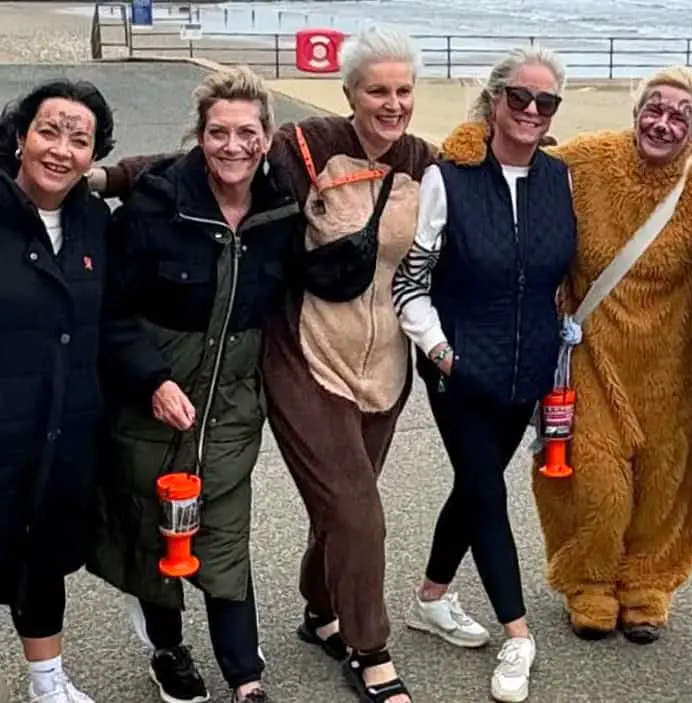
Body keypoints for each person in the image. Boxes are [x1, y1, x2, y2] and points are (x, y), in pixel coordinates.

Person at [89, 25, 438, 703]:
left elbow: (477, 206)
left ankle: (321, 608)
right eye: (377, 91)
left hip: (386, 369)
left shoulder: (427, 163)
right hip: (304, 356)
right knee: (359, 510)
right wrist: (100, 176)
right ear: (350, 94)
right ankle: (371, 649)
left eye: (402, 91)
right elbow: (198, 157)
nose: (391, 104)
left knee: (342, 507)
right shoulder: (302, 147)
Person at [86, 65, 311, 703]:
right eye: (218, 132)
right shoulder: (155, 203)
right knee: (154, 534)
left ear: (267, 137)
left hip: (233, 403)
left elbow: (307, 276)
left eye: (247, 133)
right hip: (151, 401)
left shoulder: (280, 207)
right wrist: (152, 377)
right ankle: (168, 650)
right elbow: (113, 310)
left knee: (222, 535)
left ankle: (246, 676)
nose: (232, 146)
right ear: (200, 136)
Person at [390, 46, 576, 703]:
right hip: (460, 369)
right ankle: (518, 632)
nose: (531, 110)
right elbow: (409, 282)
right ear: (494, 101)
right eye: (519, 97)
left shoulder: (562, 178)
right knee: (488, 492)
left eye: (545, 101)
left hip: (529, 371)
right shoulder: (451, 177)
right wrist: (440, 351)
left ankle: (431, 598)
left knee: (477, 486)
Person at [526, 65, 692, 644]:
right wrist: (468, 143)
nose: (662, 123)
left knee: (666, 478)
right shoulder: (589, 159)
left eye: (679, 117)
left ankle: (648, 580)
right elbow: (516, 160)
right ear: (636, 110)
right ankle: (587, 580)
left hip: (675, 364)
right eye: (655, 108)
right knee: (596, 477)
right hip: (593, 353)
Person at [0, 78, 114, 703]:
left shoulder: (93, 221)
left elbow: (113, 320)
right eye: (49, 131)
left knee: (41, 559)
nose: (61, 150)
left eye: (79, 140)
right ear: (20, 137)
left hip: (64, 426)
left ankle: (49, 684)